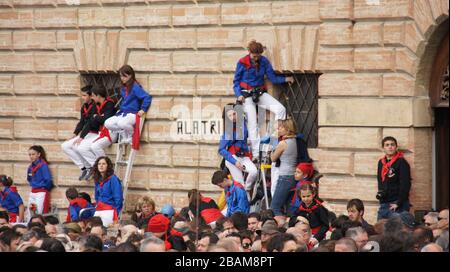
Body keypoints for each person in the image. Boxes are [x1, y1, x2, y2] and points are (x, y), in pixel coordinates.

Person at [233, 40, 294, 158]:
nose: (256, 58)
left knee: (281, 109)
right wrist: (238, 95)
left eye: (258, 56)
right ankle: (256, 154)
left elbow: (272, 77)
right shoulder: (242, 62)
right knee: (252, 123)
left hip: (259, 93)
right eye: (254, 56)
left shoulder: (264, 62)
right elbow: (236, 82)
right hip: (246, 96)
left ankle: (273, 140)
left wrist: (286, 79)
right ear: (249, 52)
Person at [105, 65, 152, 147]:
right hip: (123, 113)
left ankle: (132, 135)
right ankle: (124, 133)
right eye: (121, 76)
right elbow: (124, 100)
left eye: (124, 76)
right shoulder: (123, 88)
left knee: (122, 123)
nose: (122, 78)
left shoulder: (135, 87)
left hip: (132, 113)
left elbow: (147, 97)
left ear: (130, 76)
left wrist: (143, 109)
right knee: (108, 123)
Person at [77, 85, 117, 174]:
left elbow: (106, 119)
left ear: (98, 96)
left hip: (110, 133)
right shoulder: (96, 105)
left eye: (93, 96)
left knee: (95, 146)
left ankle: (108, 168)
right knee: (82, 148)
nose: (92, 98)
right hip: (101, 132)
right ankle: (96, 167)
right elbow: (91, 121)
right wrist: (82, 136)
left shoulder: (109, 104)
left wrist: (97, 117)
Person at [61, 85, 98, 180]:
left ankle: (91, 167)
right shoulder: (84, 107)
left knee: (78, 146)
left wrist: (81, 137)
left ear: (91, 96)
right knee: (65, 146)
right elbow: (81, 122)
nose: (82, 98)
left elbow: (90, 123)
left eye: (85, 95)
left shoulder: (95, 106)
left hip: (94, 132)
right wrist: (74, 134)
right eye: (82, 95)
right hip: (85, 133)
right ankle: (83, 167)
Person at [218, 103, 257, 193]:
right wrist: (235, 162)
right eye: (230, 115)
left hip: (245, 156)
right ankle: (242, 202)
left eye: (234, 114)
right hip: (233, 158)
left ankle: (246, 189)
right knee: (239, 184)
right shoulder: (227, 132)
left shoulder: (244, 123)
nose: (233, 117)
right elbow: (221, 149)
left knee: (254, 172)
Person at [270, 118, 298, 224]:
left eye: (281, 127)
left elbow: (273, 158)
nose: (279, 129)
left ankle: (281, 226)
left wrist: (273, 140)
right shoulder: (295, 141)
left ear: (287, 129)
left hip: (284, 176)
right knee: (289, 205)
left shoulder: (283, 143)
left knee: (275, 206)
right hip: (293, 176)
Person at [377, 136, 411, 220]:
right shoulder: (381, 162)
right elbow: (380, 181)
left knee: (396, 230)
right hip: (384, 203)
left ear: (396, 147)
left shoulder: (401, 162)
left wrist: (398, 203)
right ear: (383, 148)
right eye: (387, 145)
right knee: (380, 228)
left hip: (397, 204)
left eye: (392, 144)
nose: (390, 147)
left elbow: (406, 184)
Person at [92, 156, 123, 227]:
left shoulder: (113, 179)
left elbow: (118, 198)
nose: (101, 166)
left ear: (108, 166)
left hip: (109, 210)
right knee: (94, 228)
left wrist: (116, 213)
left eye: (103, 164)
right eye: (99, 164)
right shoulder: (98, 180)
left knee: (104, 229)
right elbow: (97, 196)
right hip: (99, 209)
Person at [26, 145, 54, 222]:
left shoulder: (43, 165)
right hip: (33, 191)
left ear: (38, 154)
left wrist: (42, 187)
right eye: (30, 154)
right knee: (30, 211)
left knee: (39, 212)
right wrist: (33, 183)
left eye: (33, 154)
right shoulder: (30, 167)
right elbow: (29, 178)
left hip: (41, 192)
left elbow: (48, 180)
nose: (31, 156)